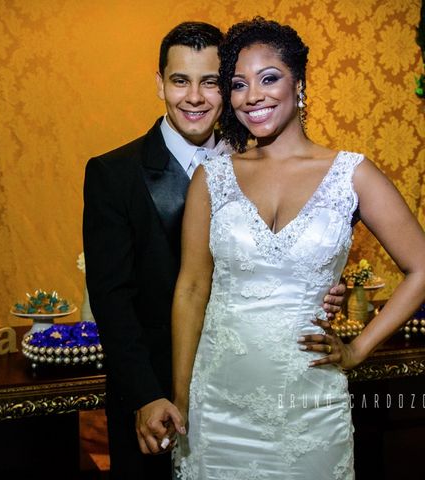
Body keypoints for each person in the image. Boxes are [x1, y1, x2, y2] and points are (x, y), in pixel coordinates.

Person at [82, 21, 346, 479]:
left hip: (258, 388)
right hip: (157, 392)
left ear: (228, 87)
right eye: (180, 80)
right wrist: (147, 394)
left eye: (211, 82)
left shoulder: (264, 160)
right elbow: (112, 300)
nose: (195, 97)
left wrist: (317, 281)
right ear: (159, 83)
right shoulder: (114, 174)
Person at [165, 17, 425, 479]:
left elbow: (422, 268)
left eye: (269, 79)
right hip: (216, 407)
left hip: (309, 406)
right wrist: (181, 395)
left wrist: (358, 349)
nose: (253, 97)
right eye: (239, 84)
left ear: (299, 83)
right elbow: (190, 288)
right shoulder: (213, 177)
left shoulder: (352, 175)